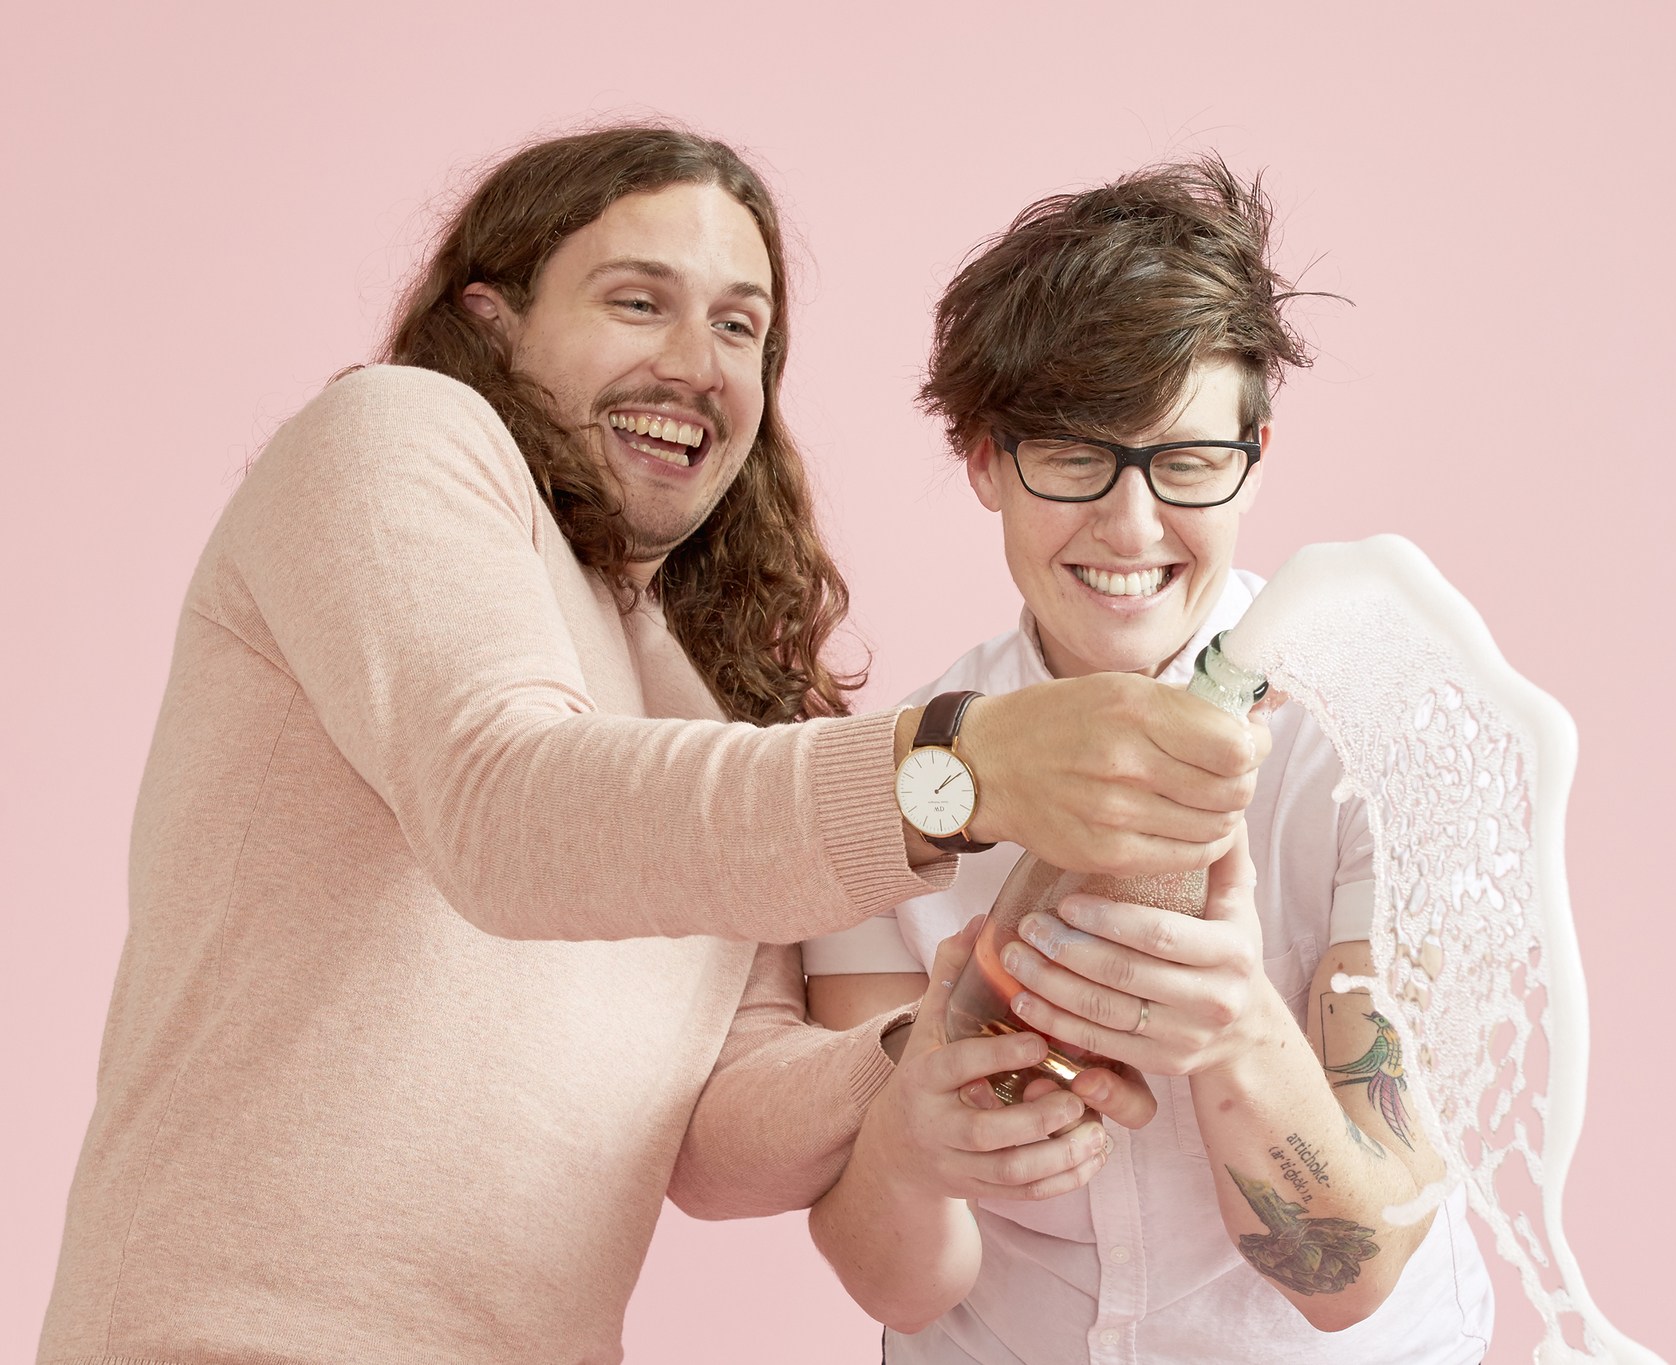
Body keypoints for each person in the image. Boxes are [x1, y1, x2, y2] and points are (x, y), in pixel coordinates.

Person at [37, 124, 1265, 1365]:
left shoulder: (699, 695)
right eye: (638, 302)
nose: (697, 365)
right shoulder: (397, 436)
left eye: (742, 329)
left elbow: (711, 1139)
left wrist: (933, 1037)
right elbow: (505, 808)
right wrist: (960, 767)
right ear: (492, 318)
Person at [804, 159, 1496, 1362]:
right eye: (1073, 456)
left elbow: (1351, 1277)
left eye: (1184, 461)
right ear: (980, 458)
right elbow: (902, 1290)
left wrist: (1232, 1028)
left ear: (1256, 451)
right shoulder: (892, 789)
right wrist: (913, 1146)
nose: (1130, 529)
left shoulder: (1383, 740)